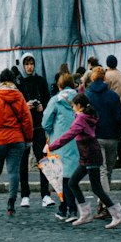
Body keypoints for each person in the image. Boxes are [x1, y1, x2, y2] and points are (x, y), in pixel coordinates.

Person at [47, 93, 121, 228]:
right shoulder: (86, 116)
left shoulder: (81, 118)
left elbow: (69, 135)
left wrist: (52, 146)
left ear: (79, 106)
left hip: (90, 155)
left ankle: (117, 215)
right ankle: (85, 214)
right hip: (87, 155)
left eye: (73, 106)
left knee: (96, 188)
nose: (73, 108)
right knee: (73, 182)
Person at [0, 68, 33, 215]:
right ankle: (11, 202)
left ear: (1, 81)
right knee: (13, 171)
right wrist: (28, 139)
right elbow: (27, 120)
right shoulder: (20, 97)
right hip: (16, 139)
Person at [16, 54, 53, 207]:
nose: (29, 67)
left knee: (43, 160)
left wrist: (41, 106)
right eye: (27, 64)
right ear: (23, 66)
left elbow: (48, 99)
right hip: (24, 128)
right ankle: (25, 195)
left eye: (31, 63)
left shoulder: (41, 80)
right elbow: (16, 104)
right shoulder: (19, 83)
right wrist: (25, 105)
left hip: (38, 126)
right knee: (22, 162)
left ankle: (46, 194)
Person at [42, 73, 80, 220]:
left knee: (62, 176)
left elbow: (45, 122)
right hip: (77, 139)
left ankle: (71, 209)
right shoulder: (79, 99)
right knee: (70, 174)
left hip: (60, 140)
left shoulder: (55, 101)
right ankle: (64, 207)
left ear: (59, 86)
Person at [85, 66, 121, 203]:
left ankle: (105, 203)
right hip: (112, 136)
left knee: (101, 170)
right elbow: (120, 117)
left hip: (96, 135)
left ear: (92, 77)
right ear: (104, 78)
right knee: (108, 170)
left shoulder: (88, 95)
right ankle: (104, 202)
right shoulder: (113, 96)